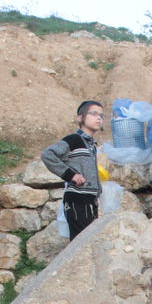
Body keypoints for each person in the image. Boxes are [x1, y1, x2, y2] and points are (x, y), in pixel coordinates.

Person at [41, 100, 105, 239]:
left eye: (101, 115)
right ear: (80, 118)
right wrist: (71, 175)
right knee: (81, 245)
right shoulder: (74, 140)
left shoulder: (91, 145)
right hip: (78, 201)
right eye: (94, 114)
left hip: (89, 201)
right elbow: (48, 155)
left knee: (87, 245)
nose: (99, 118)